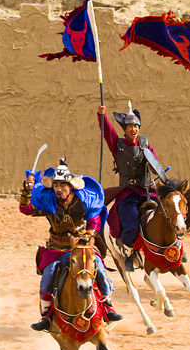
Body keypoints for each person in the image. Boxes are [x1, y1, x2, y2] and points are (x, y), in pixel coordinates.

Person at [20, 157, 122, 332]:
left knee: (100, 271)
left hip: (80, 247)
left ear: (70, 186)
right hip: (56, 248)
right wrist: (26, 193)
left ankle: (108, 307)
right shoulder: (48, 202)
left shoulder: (83, 201)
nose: (59, 189)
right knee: (47, 278)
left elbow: (94, 221)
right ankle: (46, 316)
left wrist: (89, 234)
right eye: (56, 185)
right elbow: (27, 210)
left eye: (63, 185)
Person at [97, 101, 163, 272]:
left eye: (136, 126)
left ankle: (173, 246)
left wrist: (153, 167)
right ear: (125, 129)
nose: (133, 129)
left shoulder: (145, 143)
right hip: (128, 193)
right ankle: (129, 252)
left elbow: (155, 161)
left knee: (169, 212)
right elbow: (108, 133)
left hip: (147, 190)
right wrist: (102, 116)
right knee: (131, 223)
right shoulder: (117, 145)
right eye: (130, 126)